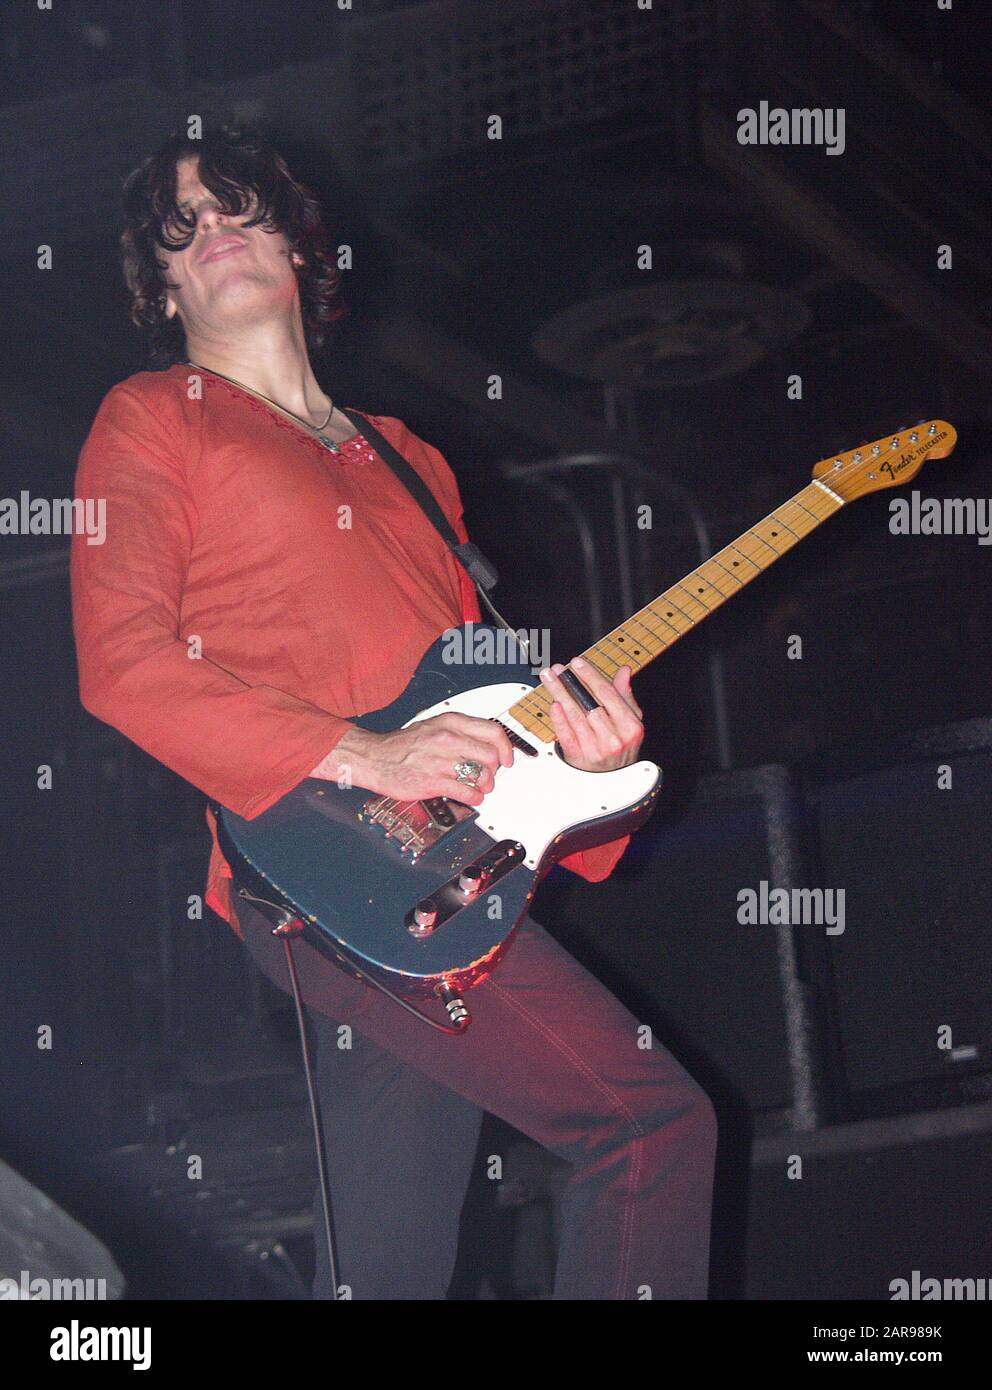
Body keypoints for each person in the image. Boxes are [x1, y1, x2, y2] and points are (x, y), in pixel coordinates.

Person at [70, 122, 717, 1300]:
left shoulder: (409, 455)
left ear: (300, 247)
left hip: (436, 870)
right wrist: (366, 753)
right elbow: (120, 665)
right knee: (647, 1126)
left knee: (388, 1266)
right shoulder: (153, 417)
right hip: (317, 856)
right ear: (159, 283)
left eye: (237, 207)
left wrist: (589, 758)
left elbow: (469, 683)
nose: (214, 231)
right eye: (182, 225)